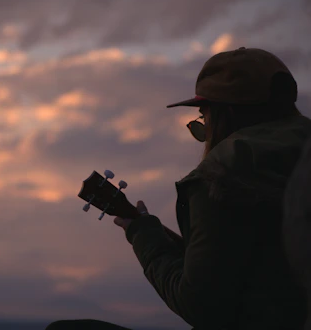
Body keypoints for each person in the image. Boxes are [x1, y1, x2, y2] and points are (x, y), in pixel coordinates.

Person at [46, 47, 311, 330]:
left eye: (204, 122)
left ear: (227, 113)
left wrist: (143, 236)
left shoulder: (222, 175)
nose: (204, 133)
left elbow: (200, 306)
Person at [284, 134, 311, 330]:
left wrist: (166, 254)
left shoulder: (216, 174)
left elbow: (197, 301)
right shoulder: (302, 138)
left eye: (204, 118)